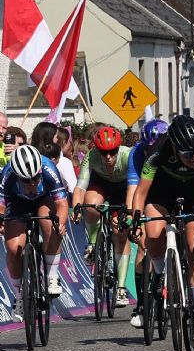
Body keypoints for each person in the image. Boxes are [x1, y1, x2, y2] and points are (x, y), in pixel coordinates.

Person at [131, 115, 194, 341]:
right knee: (152, 232)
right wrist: (135, 221)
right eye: (189, 154)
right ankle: (161, 273)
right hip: (161, 193)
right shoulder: (158, 151)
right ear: (174, 146)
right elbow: (140, 193)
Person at [0, 145, 69, 321]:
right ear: (17, 175)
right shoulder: (7, 175)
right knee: (14, 249)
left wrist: (60, 222)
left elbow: (61, 203)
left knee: (49, 223)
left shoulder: (49, 169)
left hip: (44, 199)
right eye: (26, 180)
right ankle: (19, 295)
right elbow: (1, 205)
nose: (32, 183)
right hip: (17, 203)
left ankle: (52, 276)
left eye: (35, 177)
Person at [71, 126, 132, 306]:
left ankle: (121, 288)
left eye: (112, 152)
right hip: (101, 186)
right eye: (103, 152)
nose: (108, 157)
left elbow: (134, 189)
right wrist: (76, 208)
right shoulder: (91, 156)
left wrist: (126, 214)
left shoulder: (127, 156)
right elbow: (80, 187)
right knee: (90, 205)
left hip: (125, 189)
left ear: (118, 149)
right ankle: (91, 242)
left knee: (121, 234)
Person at [127, 119, 169, 328]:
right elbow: (133, 192)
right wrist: (132, 220)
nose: (150, 152)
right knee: (144, 247)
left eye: (155, 148)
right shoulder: (136, 154)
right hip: (146, 196)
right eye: (147, 148)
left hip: (170, 193)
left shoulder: (172, 150)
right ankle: (142, 305)